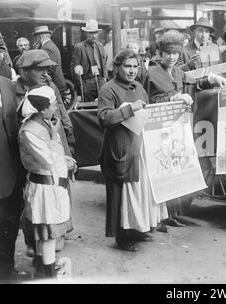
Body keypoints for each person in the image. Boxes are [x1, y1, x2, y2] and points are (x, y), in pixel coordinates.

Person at [144, 33, 226, 228]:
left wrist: (211, 80)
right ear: (160, 53)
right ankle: (158, 218)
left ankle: (172, 214)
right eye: (168, 53)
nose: (172, 57)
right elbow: (148, 100)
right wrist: (172, 99)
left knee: (174, 170)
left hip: (177, 127)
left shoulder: (178, 72)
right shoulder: (152, 73)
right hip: (158, 129)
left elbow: (193, 84)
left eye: (175, 53)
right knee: (160, 171)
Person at [98, 49, 169, 252]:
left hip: (139, 146)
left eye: (135, 66)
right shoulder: (108, 89)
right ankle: (123, 236)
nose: (131, 71)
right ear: (117, 67)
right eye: (127, 66)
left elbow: (147, 111)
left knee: (139, 191)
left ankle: (137, 229)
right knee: (122, 194)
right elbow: (103, 118)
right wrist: (129, 109)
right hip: (120, 148)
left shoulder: (138, 86)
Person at [15, 49, 76, 254]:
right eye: (39, 69)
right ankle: (35, 244)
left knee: (58, 191)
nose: (45, 74)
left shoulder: (50, 88)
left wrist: (69, 140)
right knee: (33, 201)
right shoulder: (14, 90)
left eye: (47, 69)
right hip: (28, 152)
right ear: (24, 72)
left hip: (54, 145)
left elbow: (61, 114)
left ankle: (57, 237)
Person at [18, 85, 74, 279]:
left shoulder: (46, 123)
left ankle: (44, 269)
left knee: (47, 234)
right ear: (42, 109)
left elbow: (54, 155)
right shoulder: (29, 131)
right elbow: (47, 159)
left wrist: (64, 159)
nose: (56, 107)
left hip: (52, 186)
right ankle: (48, 274)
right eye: (53, 104)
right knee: (47, 234)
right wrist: (52, 137)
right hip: (43, 188)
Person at [0, 35, 28, 282]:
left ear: (1, 56)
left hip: (13, 171)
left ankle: (6, 271)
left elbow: (14, 123)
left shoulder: (6, 83)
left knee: (10, 223)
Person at [71, 19, 107, 102]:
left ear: (98, 33)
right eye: (90, 33)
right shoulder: (79, 47)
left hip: (101, 81)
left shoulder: (100, 46)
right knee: (88, 107)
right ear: (86, 33)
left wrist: (104, 78)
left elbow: (103, 63)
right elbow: (74, 67)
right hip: (87, 83)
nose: (93, 36)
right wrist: (81, 85)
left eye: (95, 33)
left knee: (103, 105)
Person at [33, 25, 67, 100]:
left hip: (54, 84)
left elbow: (51, 67)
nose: (36, 39)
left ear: (41, 37)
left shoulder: (46, 47)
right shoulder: (50, 45)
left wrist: (42, 76)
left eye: (36, 37)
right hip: (57, 82)